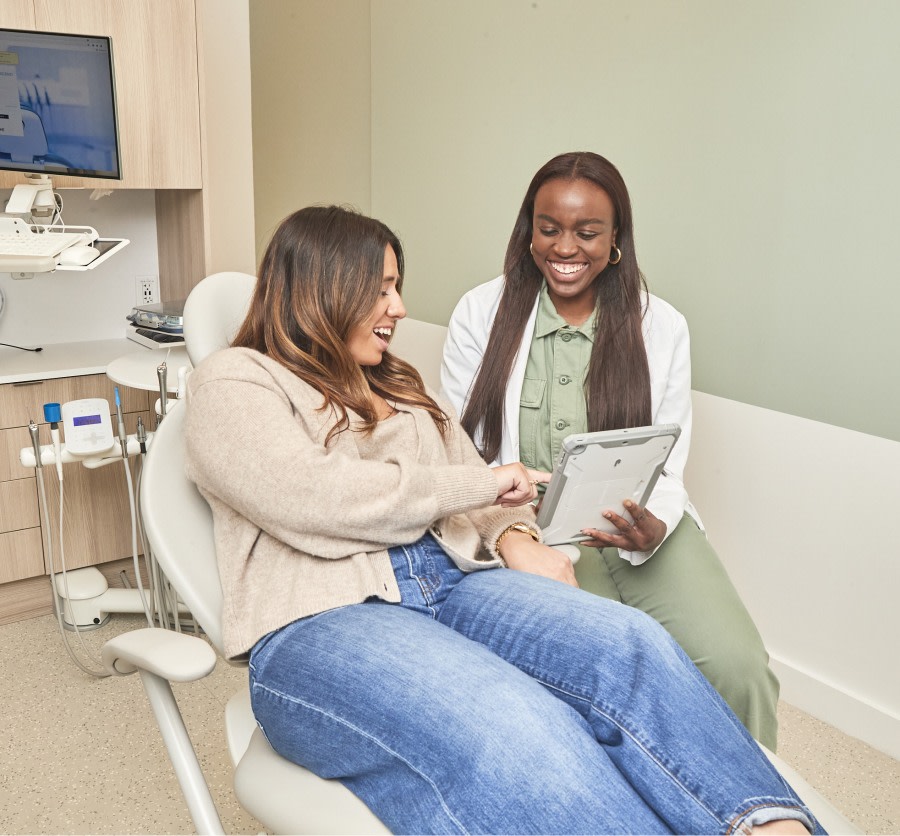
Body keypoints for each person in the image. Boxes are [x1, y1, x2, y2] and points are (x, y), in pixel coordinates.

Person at [184, 205, 819, 834]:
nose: (399, 308)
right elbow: (313, 496)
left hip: (456, 584)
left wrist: (515, 535)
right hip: (322, 620)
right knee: (514, 724)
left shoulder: (401, 385)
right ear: (321, 290)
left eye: (396, 287)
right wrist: (481, 483)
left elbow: (478, 497)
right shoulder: (235, 381)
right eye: (380, 290)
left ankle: (769, 827)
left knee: (631, 645)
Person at [441, 151, 781, 751]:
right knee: (611, 682)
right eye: (549, 229)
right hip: (529, 532)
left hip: (639, 527)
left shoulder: (662, 326)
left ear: (616, 237)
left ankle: (752, 811)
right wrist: (515, 530)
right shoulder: (479, 314)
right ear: (528, 231)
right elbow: (462, 453)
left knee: (739, 667)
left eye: (587, 232)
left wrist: (653, 527)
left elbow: (669, 459)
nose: (565, 248)